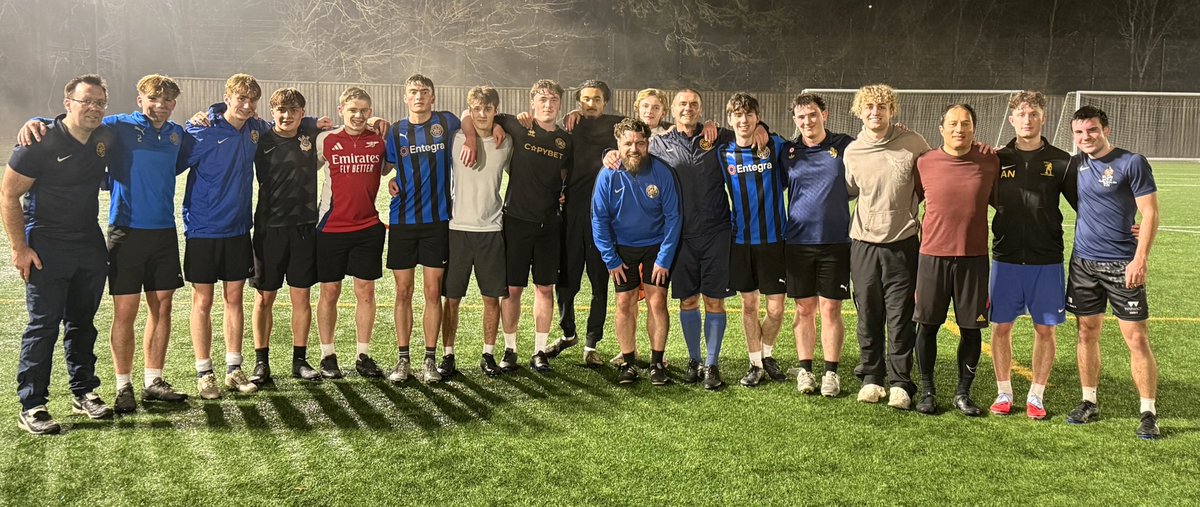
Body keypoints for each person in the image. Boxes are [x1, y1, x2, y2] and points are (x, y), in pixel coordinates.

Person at [15, 74, 194, 412]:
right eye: (154, 99)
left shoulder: (177, 134)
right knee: (125, 311)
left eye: (168, 100)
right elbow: (72, 122)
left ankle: (153, 380)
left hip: (164, 232)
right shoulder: (116, 127)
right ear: (139, 99)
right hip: (125, 231)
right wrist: (35, 120)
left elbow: (183, 159)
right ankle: (123, 386)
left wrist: (208, 114)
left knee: (163, 306)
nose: (161, 106)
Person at [4, 74, 116, 434]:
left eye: (100, 102)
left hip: (88, 243)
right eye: (87, 101)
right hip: (47, 245)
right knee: (43, 326)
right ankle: (32, 404)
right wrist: (20, 249)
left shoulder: (104, 137)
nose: (94, 108)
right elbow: (8, 195)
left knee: (83, 323)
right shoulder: (38, 140)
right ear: (68, 103)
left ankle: (84, 392)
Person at [1065, 105, 1161, 440]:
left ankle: (1148, 412)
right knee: (1086, 334)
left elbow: (1149, 213)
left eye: (1091, 130)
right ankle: (1088, 401)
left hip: (1123, 263)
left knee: (1136, 338)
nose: (1085, 137)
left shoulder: (1131, 162)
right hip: (1084, 263)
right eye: (1079, 132)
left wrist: (1140, 258)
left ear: (1106, 130)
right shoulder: (1076, 163)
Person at [464, 80, 572, 373]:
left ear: (559, 104)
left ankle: (539, 351)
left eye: (553, 100)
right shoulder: (517, 124)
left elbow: (566, 173)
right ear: (532, 103)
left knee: (544, 288)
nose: (548, 105)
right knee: (512, 290)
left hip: (550, 222)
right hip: (516, 220)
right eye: (542, 100)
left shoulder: (566, 140)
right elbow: (470, 113)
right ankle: (510, 349)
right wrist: (475, 138)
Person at [181, 73, 272, 399]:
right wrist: (190, 120)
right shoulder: (201, 130)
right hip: (203, 229)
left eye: (252, 100)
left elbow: (291, 125)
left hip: (237, 229)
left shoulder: (254, 130)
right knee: (202, 301)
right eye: (241, 99)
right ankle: (204, 373)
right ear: (227, 96)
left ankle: (234, 369)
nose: (246, 105)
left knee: (235, 299)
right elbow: (173, 160)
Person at [987, 90, 1076, 419]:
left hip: (1046, 258)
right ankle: (1004, 392)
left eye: (1033, 114)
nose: (1027, 120)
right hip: (1006, 257)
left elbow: (1086, 205)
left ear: (1043, 118)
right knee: (1001, 327)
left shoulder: (1062, 160)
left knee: (1045, 329)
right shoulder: (996, 158)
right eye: (1021, 114)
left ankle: (1036, 396)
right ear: (1012, 119)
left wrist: (1123, 223)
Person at [843, 83, 931, 409]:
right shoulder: (853, 152)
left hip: (902, 244)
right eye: (869, 107)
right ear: (859, 111)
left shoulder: (914, 143)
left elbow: (932, 178)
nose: (875, 113)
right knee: (867, 313)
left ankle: (900, 382)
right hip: (864, 243)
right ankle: (871, 377)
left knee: (900, 315)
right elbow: (852, 190)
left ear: (892, 111)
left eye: (881, 107)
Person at [911, 104, 999, 416]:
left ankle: (963, 393)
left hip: (973, 258)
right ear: (941, 129)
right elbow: (914, 198)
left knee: (971, 329)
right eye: (953, 123)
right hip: (932, 256)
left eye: (965, 123)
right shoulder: (925, 163)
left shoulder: (990, 160)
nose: (959, 129)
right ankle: (927, 390)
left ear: (974, 128)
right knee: (927, 326)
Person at [382, 74, 461, 384]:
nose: (418, 97)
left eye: (424, 92)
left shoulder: (447, 122)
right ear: (405, 98)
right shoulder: (395, 131)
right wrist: (390, 181)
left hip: (437, 222)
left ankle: (429, 360)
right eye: (413, 92)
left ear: (433, 97)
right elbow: (386, 166)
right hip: (402, 222)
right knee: (402, 292)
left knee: (431, 292)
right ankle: (403, 360)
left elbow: (472, 120)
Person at [591, 118, 681, 385]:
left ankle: (656, 364)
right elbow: (598, 219)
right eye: (628, 143)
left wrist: (664, 259)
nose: (634, 148)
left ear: (647, 143)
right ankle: (628, 362)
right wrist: (611, 259)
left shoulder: (661, 172)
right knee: (624, 302)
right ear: (618, 145)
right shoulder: (608, 174)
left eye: (640, 143)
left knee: (657, 302)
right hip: (623, 249)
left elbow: (674, 217)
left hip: (655, 246)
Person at [248, 87, 324, 384]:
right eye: (281, 110)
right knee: (265, 298)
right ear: (272, 112)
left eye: (293, 110)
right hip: (269, 229)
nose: (286, 115)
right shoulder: (260, 139)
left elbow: (345, 124)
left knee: (301, 297)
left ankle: (300, 360)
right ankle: (261, 362)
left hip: (304, 226)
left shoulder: (311, 137)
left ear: (301, 114)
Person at [313, 86, 389, 381]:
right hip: (331, 227)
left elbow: (392, 170)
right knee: (329, 292)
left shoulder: (379, 141)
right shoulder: (326, 140)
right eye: (352, 110)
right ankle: (327, 355)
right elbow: (302, 149)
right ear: (340, 109)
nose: (358, 115)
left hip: (368, 227)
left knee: (365, 292)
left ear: (370, 113)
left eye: (364, 111)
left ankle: (363, 354)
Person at [782, 93, 854, 397]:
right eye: (800, 117)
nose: (807, 121)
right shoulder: (788, 151)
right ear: (795, 120)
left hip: (836, 241)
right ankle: (806, 370)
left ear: (824, 114)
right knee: (804, 308)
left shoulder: (845, 145)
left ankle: (831, 374)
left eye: (812, 114)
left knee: (831, 309)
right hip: (797, 241)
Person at [543, 80, 620, 365]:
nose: (590, 104)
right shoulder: (569, 129)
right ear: (578, 102)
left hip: (603, 217)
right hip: (572, 214)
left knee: (600, 283)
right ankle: (568, 333)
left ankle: (591, 344)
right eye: (585, 99)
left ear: (605, 102)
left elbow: (652, 123)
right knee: (565, 281)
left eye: (596, 99)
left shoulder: (618, 126)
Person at [439, 86, 512, 376]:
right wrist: (469, 132)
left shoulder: (506, 142)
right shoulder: (455, 139)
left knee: (490, 297)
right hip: (457, 228)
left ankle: (488, 353)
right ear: (469, 110)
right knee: (452, 298)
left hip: (491, 229)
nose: (482, 114)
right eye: (476, 109)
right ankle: (448, 355)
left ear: (496, 110)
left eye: (488, 109)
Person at [718, 92, 789, 387]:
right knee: (749, 306)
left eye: (749, 114)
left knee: (776, 308)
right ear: (730, 119)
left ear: (757, 117)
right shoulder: (722, 153)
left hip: (775, 239)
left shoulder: (776, 145)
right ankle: (755, 363)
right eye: (737, 115)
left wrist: (768, 130)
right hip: (742, 240)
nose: (743, 120)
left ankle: (768, 354)